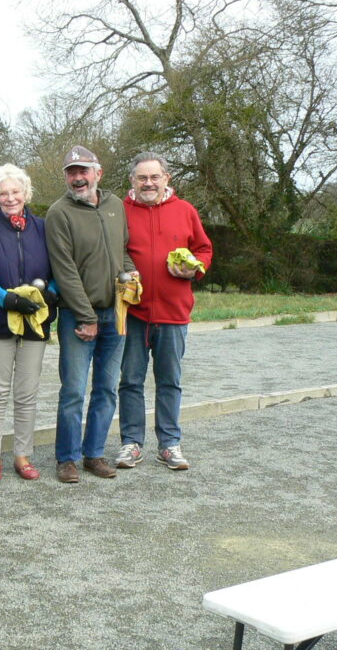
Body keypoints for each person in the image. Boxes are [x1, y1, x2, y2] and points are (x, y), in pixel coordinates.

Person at [115, 152, 213, 471]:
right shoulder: (120, 211)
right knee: (130, 380)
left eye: (154, 177)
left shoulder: (185, 211)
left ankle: (169, 444)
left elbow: (204, 249)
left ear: (166, 179)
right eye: (142, 177)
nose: (148, 183)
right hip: (132, 312)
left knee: (169, 380)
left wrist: (195, 270)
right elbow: (112, 251)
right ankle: (131, 443)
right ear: (132, 180)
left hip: (173, 313)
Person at [45, 145, 137, 483]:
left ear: (97, 172)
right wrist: (86, 317)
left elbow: (123, 251)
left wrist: (132, 277)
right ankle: (66, 458)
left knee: (107, 388)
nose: (78, 177)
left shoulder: (115, 206)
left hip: (116, 314)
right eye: (72, 172)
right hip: (77, 317)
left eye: (83, 170)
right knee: (73, 390)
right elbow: (64, 270)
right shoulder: (59, 212)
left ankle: (93, 454)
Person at [0, 164, 58, 483]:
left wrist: (51, 294)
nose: (9, 197)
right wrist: (5, 299)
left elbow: (58, 271)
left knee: (27, 392)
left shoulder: (45, 227)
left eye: (15, 191)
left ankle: (23, 455)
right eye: (3, 193)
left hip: (36, 320)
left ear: (26, 193)